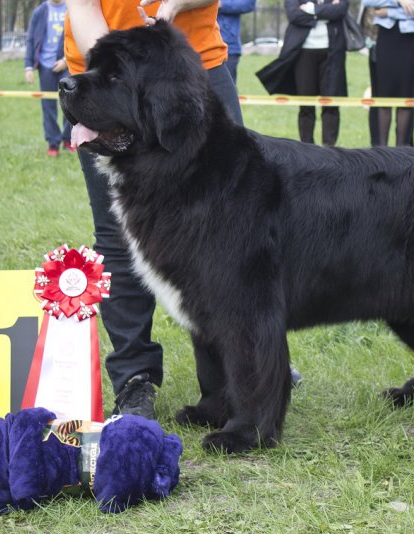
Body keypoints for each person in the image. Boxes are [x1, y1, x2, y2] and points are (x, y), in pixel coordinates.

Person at [64, 0, 243, 420]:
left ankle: (243, 363)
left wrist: (173, 7)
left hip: (193, 66)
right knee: (117, 232)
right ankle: (133, 377)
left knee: (227, 225)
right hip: (107, 76)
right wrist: (112, 71)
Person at [256, 0, 349, 146]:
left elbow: (341, 10)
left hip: (333, 52)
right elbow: (294, 14)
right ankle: (307, 147)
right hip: (303, 52)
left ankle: (330, 148)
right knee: (306, 105)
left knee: (331, 103)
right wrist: (326, 11)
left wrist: (312, 9)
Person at [361, 0, 414, 147]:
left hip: (411, 40)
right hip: (386, 37)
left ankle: (401, 152)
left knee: (406, 97)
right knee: (384, 97)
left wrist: (390, 12)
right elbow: (367, 2)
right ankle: (381, 152)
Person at [25, 0, 73, 157]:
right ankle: (53, 143)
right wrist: (28, 67)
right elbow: (31, 39)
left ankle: (68, 139)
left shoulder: (72, 8)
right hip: (45, 67)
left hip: (66, 64)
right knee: (48, 105)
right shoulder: (39, 12)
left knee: (70, 103)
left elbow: (77, 37)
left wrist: (66, 61)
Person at [217, 0, 257, 84]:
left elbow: (248, 3)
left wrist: (221, 4)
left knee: (225, 89)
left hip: (228, 45)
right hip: (197, 44)